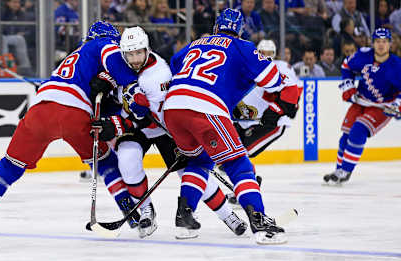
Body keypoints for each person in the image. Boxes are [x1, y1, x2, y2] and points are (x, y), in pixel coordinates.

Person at [0, 21, 142, 236]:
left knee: (10, 165)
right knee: (105, 162)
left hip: (39, 111)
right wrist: (134, 84)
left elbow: (63, 84)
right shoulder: (102, 44)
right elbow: (114, 66)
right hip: (74, 114)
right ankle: (131, 213)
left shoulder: (70, 58)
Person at [94, 26, 249, 239]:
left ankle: (227, 215)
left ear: (147, 49)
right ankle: (146, 211)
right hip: (139, 126)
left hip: (165, 127)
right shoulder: (119, 65)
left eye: (139, 52)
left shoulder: (158, 75)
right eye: (130, 54)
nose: (135, 58)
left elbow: (159, 118)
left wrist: (126, 122)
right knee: (127, 159)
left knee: (189, 174)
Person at [163, 9, 297, 244]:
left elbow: (175, 65)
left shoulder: (197, 43)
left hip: (173, 107)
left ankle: (184, 219)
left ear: (216, 26)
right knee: (238, 163)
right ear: (240, 29)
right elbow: (272, 80)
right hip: (205, 107)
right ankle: (260, 222)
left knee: (200, 161)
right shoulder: (241, 46)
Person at [324, 28, 401, 185]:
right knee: (344, 138)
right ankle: (339, 171)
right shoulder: (363, 55)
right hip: (361, 101)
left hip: (382, 107)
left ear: (390, 44)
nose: (381, 45)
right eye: (378, 41)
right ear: (372, 43)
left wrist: (397, 104)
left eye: (385, 42)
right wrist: (348, 86)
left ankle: (345, 171)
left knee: (358, 130)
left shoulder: (397, 65)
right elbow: (346, 65)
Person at [233, 39, 302, 159]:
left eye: (269, 53)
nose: (266, 56)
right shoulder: (250, 66)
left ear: (274, 53)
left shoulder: (282, 68)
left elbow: (295, 89)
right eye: (263, 53)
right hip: (246, 119)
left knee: (243, 153)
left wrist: (282, 108)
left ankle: (245, 175)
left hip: (271, 122)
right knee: (230, 150)